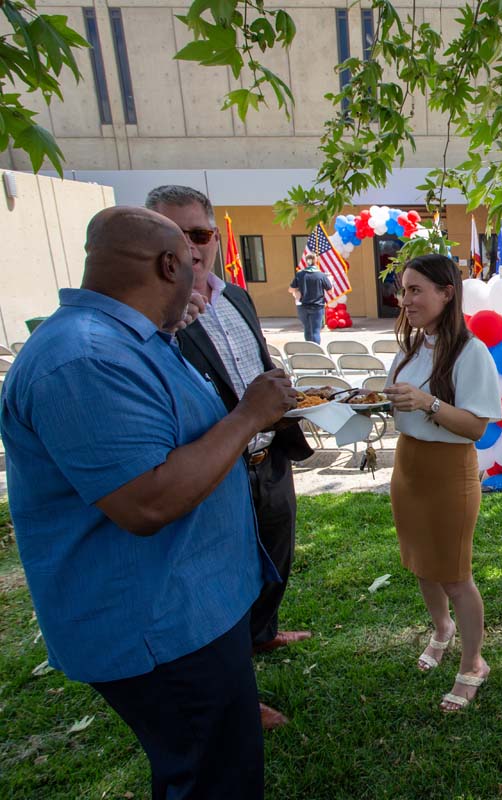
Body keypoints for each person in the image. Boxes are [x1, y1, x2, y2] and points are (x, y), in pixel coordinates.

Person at [0, 206, 299, 799]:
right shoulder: (85, 358)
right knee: (212, 777)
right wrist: (248, 415)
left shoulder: (133, 340)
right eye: (191, 265)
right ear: (171, 265)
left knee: (224, 762)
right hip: (158, 623)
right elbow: (147, 502)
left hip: (196, 606)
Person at [147, 185, 313, 730]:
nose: (191, 250)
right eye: (175, 236)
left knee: (277, 553)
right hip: (215, 468)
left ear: (214, 237)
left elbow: (253, 363)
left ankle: (262, 634)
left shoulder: (237, 296)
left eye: (199, 234)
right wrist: (168, 326)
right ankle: (239, 693)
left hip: (269, 456)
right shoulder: (151, 316)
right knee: (230, 582)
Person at [383, 253, 502, 712]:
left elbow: (476, 428)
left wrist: (427, 402)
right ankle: (442, 630)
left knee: (454, 574)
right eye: (403, 288)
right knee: (420, 562)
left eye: (416, 290)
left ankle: (474, 662)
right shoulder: (413, 345)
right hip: (408, 466)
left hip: (448, 470)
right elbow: (403, 403)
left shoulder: (471, 352)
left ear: (446, 293)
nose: (404, 298)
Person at [289, 252, 332, 344]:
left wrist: (297, 290)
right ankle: (316, 351)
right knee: (316, 331)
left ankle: (309, 350)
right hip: (317, 306)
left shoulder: (300, 275)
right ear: (316, 261)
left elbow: (290, 289)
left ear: (306, 261)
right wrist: (330, 280)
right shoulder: (321, 275)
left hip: (303, 306)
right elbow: (330, 291)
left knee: (307, 330)